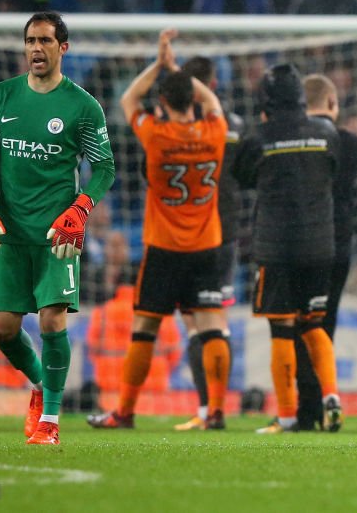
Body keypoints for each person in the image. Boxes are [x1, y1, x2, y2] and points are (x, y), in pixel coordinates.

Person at [0, 11, 115, 445]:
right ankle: (39, 385)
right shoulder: (2, 97)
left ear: (62, 48)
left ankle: (50, 421)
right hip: (9, 235)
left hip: (58, 237)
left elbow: (104, 168)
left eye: (45, 41)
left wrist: (81, 209)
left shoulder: (82, 106)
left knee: (53, 322)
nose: (36, 48)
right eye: (30, 40)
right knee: (2, 329)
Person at [87, 29, 230, 431]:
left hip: (164, 249)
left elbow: (128, 99)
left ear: (163, 102)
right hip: (206, 247)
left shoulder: (156, 134)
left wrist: (161, 65)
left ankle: (126, 411)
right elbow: (212, 101)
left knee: (145, 327)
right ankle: (216, 411)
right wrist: (180, 72)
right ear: (193, 100)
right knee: (211, 325)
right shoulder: (215, 132)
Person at [233, 64, 343, 434]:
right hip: (319, 245)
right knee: (314, 325)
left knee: (281, 331)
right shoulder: (326, 132)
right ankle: (331, 396)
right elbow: (335, 169)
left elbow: (243, 177)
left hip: (276, 247)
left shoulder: (258, 137)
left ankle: (287, 416)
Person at [173, 56, 245, 432]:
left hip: (184, 231)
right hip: (225, 231)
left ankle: (207, 410)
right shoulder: (234, 125)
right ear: (213, 83)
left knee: (196, 324)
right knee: (215, 320)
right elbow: (248, 173)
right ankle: (213, 410)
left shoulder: (177, 124)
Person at [295, 74, 357, 430]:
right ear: (333, 104)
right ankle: (327, 400)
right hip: (339, 247)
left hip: (303, 243)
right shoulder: (350, 143)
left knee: (299, 325)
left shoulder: (296, 142)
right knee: (326, 325)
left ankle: (303, 412)